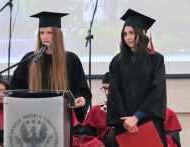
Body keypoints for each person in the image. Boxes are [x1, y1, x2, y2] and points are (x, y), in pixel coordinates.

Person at [10, 11, 92, 146]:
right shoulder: (30, 59)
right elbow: (15, 89)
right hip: (32, 119)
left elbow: (81, 89)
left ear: (58, 35)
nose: (45, 37)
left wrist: (79, 99)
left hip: (60, 120)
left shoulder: (71, 60)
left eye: (49, 33)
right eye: (42, 33)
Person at [106, 9, 168, 147]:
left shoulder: (156, 59)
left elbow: (157, 92)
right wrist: (127, 121)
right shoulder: (117, 62)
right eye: (125, 34)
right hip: (124, 124)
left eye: (132, 33)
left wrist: (136, 117)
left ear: (143, 32)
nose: (128, 37)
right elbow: (114, 94)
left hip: (149, 122)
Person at [79, 72, 112, 147]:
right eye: (104, 88)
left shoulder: (128, 110)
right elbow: (85, 137)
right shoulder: (96, 110)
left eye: (109, 89)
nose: (106, 93)